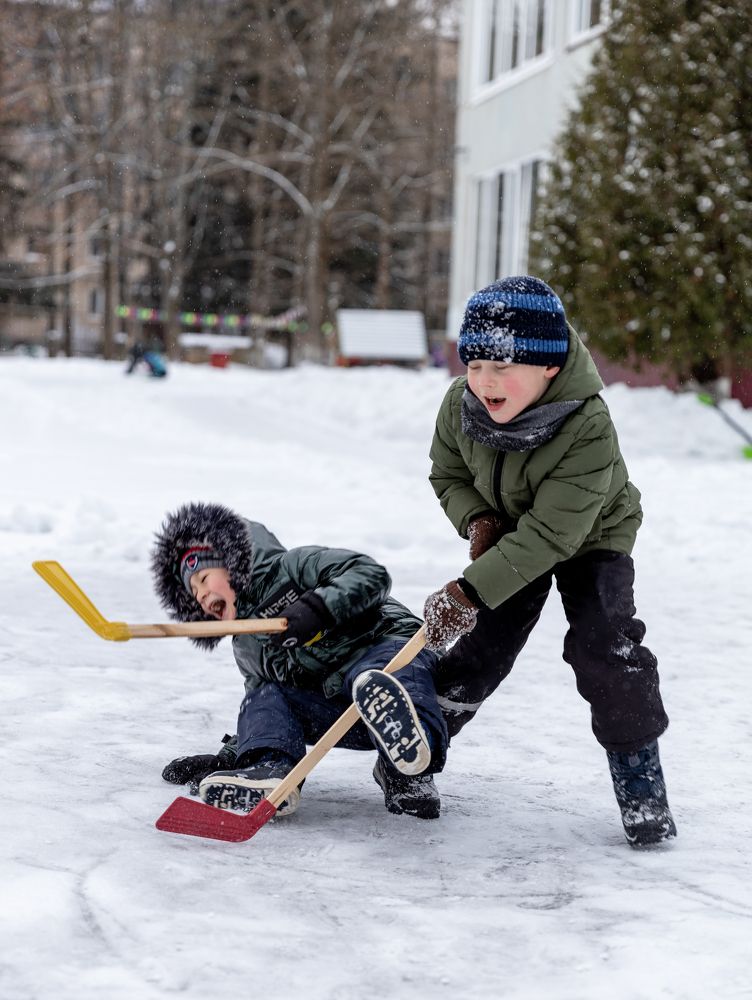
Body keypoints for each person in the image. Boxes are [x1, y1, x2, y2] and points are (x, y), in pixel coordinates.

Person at [421, 275, 676, 848]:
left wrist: (469, 589)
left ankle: (640, 783)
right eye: (475, 363)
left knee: (605, 650)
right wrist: (477, 521)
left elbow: (554, 536)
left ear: (549, 368)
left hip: (591, 536)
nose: (485, 380)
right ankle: (415, 755)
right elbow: (448, 473)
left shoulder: (587, 426)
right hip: (512, 529)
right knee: (480, 650)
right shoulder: (460, 405)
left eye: (502, 365)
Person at [151, 501, 448, 820]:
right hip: (342, 712)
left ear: (231, 563)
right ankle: (267, 771)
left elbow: (369, 574)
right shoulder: (248, 646)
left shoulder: (293, 568)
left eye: (204, 578)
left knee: (376, 675)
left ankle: (411, 759)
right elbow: (265, 711)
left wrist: (318, 608)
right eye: (193, 591)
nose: (200, 594)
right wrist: (231, 756)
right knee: (264, 694)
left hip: (386, 648)